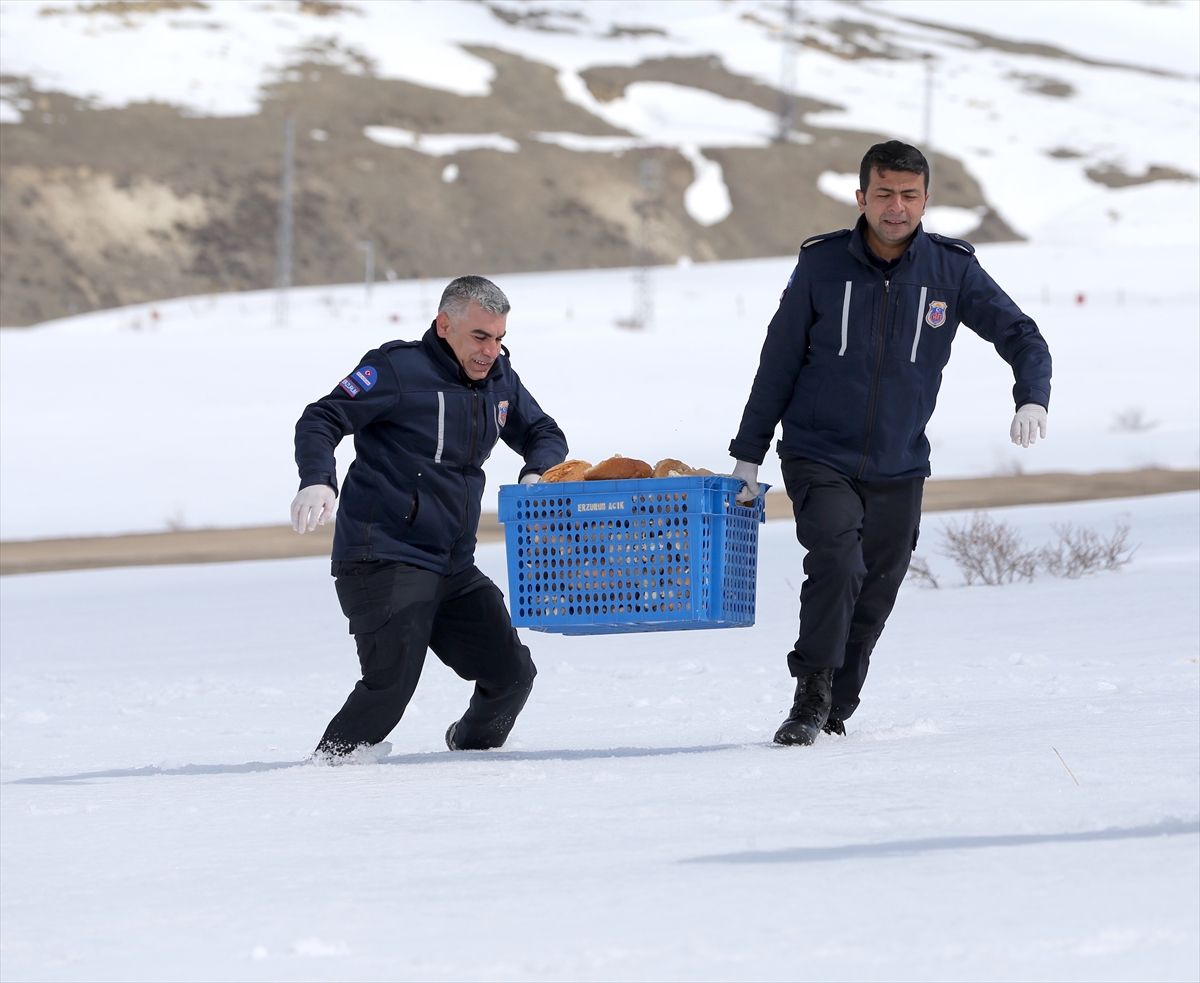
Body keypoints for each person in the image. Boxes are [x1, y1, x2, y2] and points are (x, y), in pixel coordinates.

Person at [729, 140, 1052, 746]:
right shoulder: (821, 266)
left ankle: (838, 704)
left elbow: (1021, 334)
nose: (895, 207)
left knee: (878, 585)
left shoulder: (950, 270)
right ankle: (810, 695)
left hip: (900, 462)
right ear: (861, 198)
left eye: (908, 195)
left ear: (926, 201)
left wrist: (1032, 394)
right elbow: (778, 361)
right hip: (817, 451)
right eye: (884, 194)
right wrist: (749, 450)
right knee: (837, 560)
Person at [290, 275, 567, 762]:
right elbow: (321, 418)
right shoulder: (397, 369)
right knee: (391, 683)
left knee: (512, 676)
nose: (491, 351)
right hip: (384, 556)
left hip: (453, 565)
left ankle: (470, 753)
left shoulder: (500, 377)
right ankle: (329, 768)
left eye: (500, 338)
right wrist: (317, 477)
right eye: (480, 337)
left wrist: (538, 471)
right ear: (444, 326)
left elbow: (542, 430)